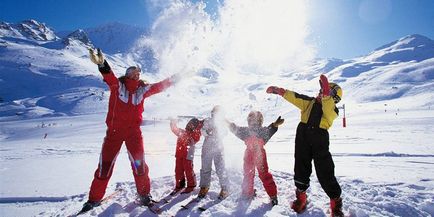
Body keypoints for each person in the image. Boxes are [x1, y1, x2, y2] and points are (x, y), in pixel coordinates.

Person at [81, 48, 180, 213]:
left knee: (139, 166)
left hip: (134, 134)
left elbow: (159, 86)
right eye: (134, 72)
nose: (137, 75)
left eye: (139, 73)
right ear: (127, 74)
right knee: (104, 167)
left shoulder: (142, 90)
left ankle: (144, 195)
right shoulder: (118, 86)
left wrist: (178, 77)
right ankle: (94, 199)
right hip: (114, 133)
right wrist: (101, 64)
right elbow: (109, 77)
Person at [266, 74, 344, 217]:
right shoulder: (310, 102)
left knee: (325, 170)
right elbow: (296, 97)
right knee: (301, 166)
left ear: (335, 98)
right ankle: (301, 197)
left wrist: (327, 96)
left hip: (320, 138)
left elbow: (328, 109)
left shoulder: (333, 110)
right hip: (303, 134)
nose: (322, 93)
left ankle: (336, 203)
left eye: (327, 91)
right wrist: (280, 91)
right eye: (322, 90)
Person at [228, 111, 284, 206]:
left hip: (259, 155)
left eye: (255, 120)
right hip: (250, 154)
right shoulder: (247, 131)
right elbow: (235, 129)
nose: (253, 122)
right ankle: (247, 192)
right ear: (249, 121)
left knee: (262, 174)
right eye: (251, 120)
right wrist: (226, 122)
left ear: (259, 121)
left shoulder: (261, 131)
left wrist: (275, 125)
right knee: (249, 174)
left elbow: (271, 129)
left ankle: (272, 195)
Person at [198, 106, 230, 200]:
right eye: (214, 113)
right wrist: (207, 132)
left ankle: (225, 188)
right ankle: (204, 186)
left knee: (220, 168)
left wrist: (218, 132)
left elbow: (225, 132)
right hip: (207, 147)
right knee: (205, 168)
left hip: (218, 147)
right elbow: (202, 130)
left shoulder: (222, 123)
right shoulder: (207, 120)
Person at [170, 117, 204, 194]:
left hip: (188, 155)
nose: (190, 126)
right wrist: (173, 122)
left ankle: (191, 185)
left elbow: (197, 136)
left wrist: (198, 125)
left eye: (192, 125)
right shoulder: (181, 132)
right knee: (178, 170)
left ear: (195, 127)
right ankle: (180, 185)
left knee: (188, 170)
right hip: (179, 155)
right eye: (189, 124)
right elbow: (174, 129)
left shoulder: (195, 134)